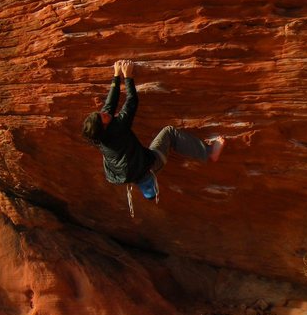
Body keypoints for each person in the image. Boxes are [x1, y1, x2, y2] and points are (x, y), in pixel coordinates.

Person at [82, 60, 225, 211]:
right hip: (150, 163)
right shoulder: (118, 128)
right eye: (103, 116)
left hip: (124, 173)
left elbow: (109, 106)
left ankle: (146, 185)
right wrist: (128, 77)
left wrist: (116, 76)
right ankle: (209, 152)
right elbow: (131, 102)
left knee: (132, 162)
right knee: (169, 132)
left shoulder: (96, 136)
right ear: (104, 127)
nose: (104, 113)